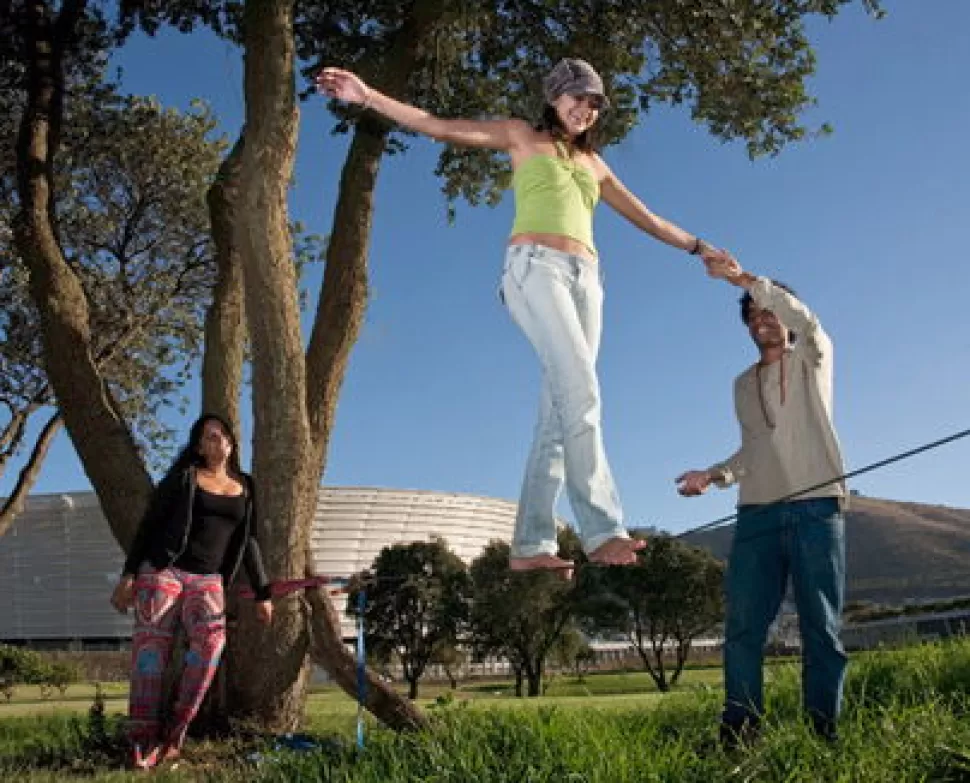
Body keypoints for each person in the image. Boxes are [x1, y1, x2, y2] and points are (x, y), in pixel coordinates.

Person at [317, 58, 730, 572]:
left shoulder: (594, 165)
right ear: (554, 98)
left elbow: (648, 218)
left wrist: (701, 248)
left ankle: (532, 545)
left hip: (588, 283)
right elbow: (437, 124)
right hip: (535, 270)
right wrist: (368, 94)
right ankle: (602, 530)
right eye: (578, 98)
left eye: (595, 102)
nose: (587, 109)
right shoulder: (520, 137)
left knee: (560, 412)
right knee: (583, 392)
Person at [676, 255, 848, 745]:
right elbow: (753, 447)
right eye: (752, 316)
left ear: (784, 314)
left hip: (818, 507)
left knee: (822, 630)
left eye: (768, 310)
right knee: (744, 628)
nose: (761, 320)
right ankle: (741, 732)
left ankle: (823, 736)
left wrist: (746, 281)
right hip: (757, 513)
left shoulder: (814, 354)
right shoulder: (741, 384)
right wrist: (713, 475)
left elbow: (806, 320)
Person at [110, 415, 274, 770]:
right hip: (164, 572)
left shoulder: (245, 486)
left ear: (231, 443)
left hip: (208, 580)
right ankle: (141, 743)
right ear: (199, 446)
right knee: (150, 656)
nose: (217, 443)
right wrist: (128, 575)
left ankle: (174, 734)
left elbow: (249, 542)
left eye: (222, 436)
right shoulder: (184, 479)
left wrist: (263, 592)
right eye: (208, 438)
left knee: (212, 645)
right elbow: (149, 526)